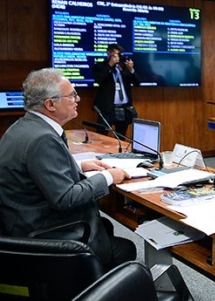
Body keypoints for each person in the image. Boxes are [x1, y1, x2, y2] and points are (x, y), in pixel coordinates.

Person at [0, 68, 135, 271]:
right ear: (50, 104)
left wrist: (79, 165)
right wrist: (108, 176)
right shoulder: (42, 138)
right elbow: (65, 198)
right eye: (72, 94)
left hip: (20, 223)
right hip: (41, 233)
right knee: (125, 248)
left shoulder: (23, 126)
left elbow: (35, 168)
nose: (78, 99)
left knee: (108, 230)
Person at [93, 43, 140, 136]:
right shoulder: (100, 66)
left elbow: (137, 83)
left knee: (121, 136)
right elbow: (99, 79)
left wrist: (131, 70)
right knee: (101, 135)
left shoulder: (123, 68)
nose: (118, 57)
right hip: (107, 109)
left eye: (119, 55)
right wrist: (110, 65)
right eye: (115, 54)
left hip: (123, 108)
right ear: (108, 54)